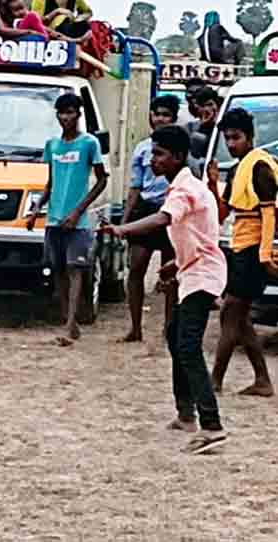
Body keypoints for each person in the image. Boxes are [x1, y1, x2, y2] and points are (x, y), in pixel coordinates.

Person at [101, 126, 228, 455]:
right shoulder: (186, 186)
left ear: (179, 157)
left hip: (203, 275)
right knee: (176, 337)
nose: (153, 159)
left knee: (186, 345)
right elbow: (199, 232)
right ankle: (186, 415)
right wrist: (177, 263)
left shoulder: (183, 190)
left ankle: (210, 425)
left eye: (159, 154)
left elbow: (162, 220)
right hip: (195, 271)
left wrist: (122, 229)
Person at [26, 93, 107, 346]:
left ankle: (71, 323)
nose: (66, 118)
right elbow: (51, 183)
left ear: (78, 114)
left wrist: (78, 211)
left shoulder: (89, 143)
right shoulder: (53, 145)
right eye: (62, 113)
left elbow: (102, 179)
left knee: (75, 270)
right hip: (54, 218)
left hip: (78, 222)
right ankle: (67, 320)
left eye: (70, 113)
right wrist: (37, 207)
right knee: (58, 270)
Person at [206, 108, 276, 397]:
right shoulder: (238, 169)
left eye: (236, 138)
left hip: (252, 249)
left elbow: (269, 213)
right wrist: (212, 184)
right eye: (228, 139)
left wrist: (264, 254)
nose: (231, 144)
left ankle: (215, 381)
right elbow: (223, 211)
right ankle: (262, 380)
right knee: (239, 317)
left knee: (230, 313)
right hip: (239, 245)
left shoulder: (259, 167)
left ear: (249, 136)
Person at [120, 95, 180, 343]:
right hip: (146, 209)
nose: (161, 119)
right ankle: (135, 327)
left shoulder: (181, 148)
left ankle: (169, 327)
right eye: (157, 114)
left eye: (166, 114)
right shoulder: (142, 148)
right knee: (136, 269)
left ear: (174, 118)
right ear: (150, 117)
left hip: (172, 210)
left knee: (170, 275)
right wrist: (124, 221)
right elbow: (135, 186)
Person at [186, 86, 220, 179]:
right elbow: (193, 155)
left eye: (210, 104)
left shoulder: (223, 127)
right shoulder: (190, 128)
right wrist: (203, 127)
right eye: (203, 106)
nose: (207, 109)